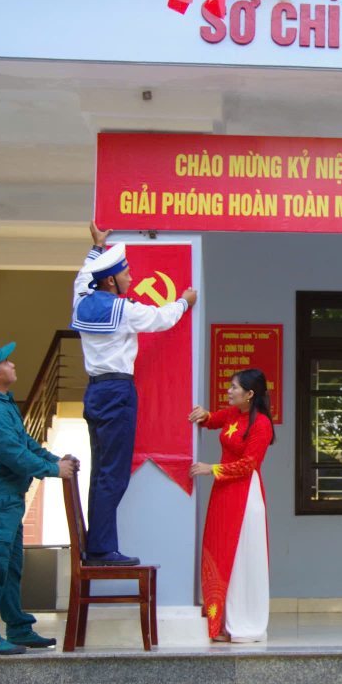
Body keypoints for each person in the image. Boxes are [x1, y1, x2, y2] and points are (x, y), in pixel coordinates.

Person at [71, 221, 197, 566]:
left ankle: (96, 545)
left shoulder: (82, 301)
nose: (130, 277)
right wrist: (184, 302)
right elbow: (160, 318)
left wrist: (97, 248)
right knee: (113, 473)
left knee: (101, 470)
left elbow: (82, 277)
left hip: (95, 391)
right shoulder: (123, 309)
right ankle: (102, 549)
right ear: (111, 281)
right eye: (125, 273)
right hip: (117, 391)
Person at [0, 342, 75, 655]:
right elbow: (14, 456)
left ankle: (18, 628)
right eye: (5, 362)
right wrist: (53, 469)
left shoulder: (3, 404)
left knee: (10, 567)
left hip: (7, 499)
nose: (11, 364)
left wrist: (54, 459)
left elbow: (25, 443)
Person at [188, 368, 276, 643]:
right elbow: (211, 419)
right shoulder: (233, 415)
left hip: (245, 494)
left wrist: (211, 468)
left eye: (234, 387)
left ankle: (241, 622)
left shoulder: (261, 424)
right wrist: (203, 414)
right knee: (220, 550)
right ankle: (220, 621)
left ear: (249, 394)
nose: (229, 391)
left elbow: (249, 464)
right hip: (223, 491)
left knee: (240, 557)